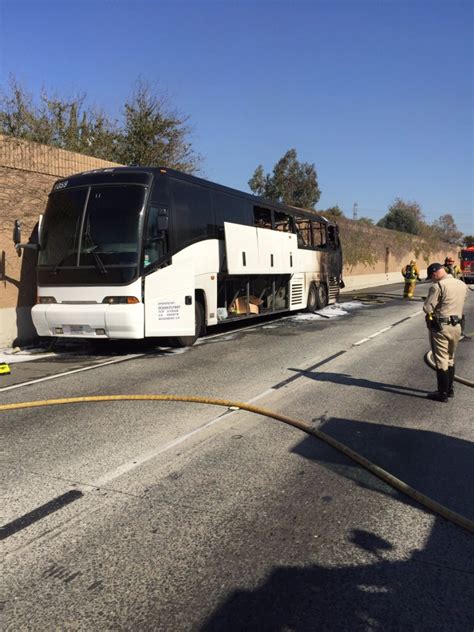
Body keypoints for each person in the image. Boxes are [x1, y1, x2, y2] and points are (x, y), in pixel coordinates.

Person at [423, 262, 468, 402]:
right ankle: (450, 390)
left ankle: (442, 393)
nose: (432, 280)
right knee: (450, 358)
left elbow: (428, 308)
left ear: (435, 273)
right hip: (457, 326)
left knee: (441, 359)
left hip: (441, 327)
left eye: (431, 277)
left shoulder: (438, 286)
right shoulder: (461, 284)